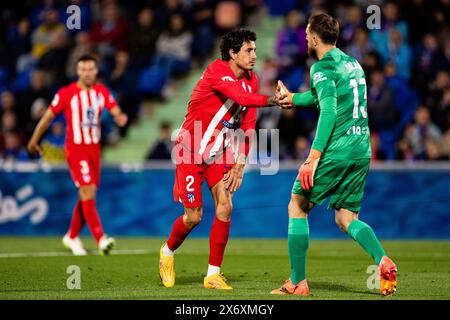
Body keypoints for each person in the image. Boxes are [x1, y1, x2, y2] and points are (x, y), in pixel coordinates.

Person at [271, 14, 398, 297]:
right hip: (362, 150)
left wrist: (313, 156)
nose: (305, 37)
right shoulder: (352, 63)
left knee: (298, 205)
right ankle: (383, 260)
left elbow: (328, 111)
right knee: (345, 218)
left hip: (337, 150)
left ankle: (297, 282)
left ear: (315, 37)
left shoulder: (320, 67)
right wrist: (292, 98)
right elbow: (322, 98)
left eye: (307, 33)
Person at [159, 29, 289, 289]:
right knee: (193, 217)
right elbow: (240, 98)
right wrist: (275, 100)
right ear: (232, 53)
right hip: (190, 150)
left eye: (254, 50)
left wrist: (240, 164)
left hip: (218, 153)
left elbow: (249, 125)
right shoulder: (216, 71)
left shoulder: (252, 80)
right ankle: (167, 252)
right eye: (248, 50)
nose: (254, 55)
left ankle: (212, 275)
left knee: (225, 206)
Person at [27, 54, 128, 256]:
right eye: (83, 69)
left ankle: (71, 236)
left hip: (94, 150)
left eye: (91, 69)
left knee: (86, 195)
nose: (87, 72)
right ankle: (101, 239)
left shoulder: (101, 92)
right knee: (87, 192)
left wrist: (120, 117)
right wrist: (34, 140)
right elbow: (47, 117)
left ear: (96, 71)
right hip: (76, 148)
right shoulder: (67, 93)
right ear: (77, 71)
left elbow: (115, 110)